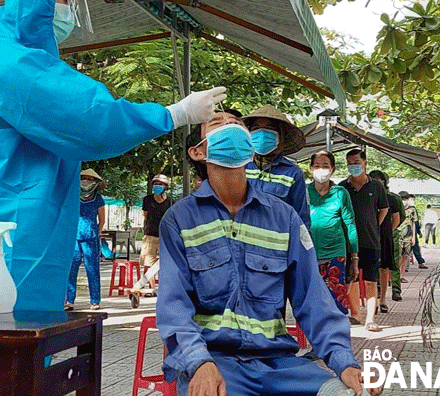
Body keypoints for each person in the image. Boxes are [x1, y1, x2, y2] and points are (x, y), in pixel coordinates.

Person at [0, 0, 226, 311]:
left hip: (17, 229)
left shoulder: (19, 63)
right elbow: (91, 120)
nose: (67, 12)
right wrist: (174, 113)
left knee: (21, 344)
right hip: (6, 236)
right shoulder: (9, 64)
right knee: (6, 345)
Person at [157, 111, 379, 396]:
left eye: (237, 126)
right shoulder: (178, 220)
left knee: (347, 394)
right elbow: (173, 307)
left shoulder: (285, 219)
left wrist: (345, 364)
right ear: (199, 151)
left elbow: (314, 301)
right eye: (217, 124)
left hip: (281, 365)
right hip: (215, 362)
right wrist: (198, 362)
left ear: (250, 147)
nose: (230, 128)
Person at [339, 149, 388, 332]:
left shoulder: (376, 186)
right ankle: (355, 314)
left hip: (370, 242)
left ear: (365, 163)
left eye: (356, 161)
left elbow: (384, 208)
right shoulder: (342, 187)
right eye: (350, 162)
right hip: (347, 243)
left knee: (370, 280)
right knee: (349, 279)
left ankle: (370, 319)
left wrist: (375, 224)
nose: (353, 165)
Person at [307, 150, 358, 314]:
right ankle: (315, 335)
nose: (321, 169)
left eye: (325, 166)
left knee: (336, 298)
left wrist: (354, 258)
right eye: (317, 165)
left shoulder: (340, 193)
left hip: (335, 252)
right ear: (310, 168)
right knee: (311, 299)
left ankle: (336, 335)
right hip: (308, 252)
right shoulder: (304, 191)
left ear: (333, 170)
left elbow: (350, 225)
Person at [243, 105, 310, 229]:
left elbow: (301, 218)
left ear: (280, 136)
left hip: (277, 244)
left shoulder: (292, 173)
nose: (262, 134)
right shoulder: (240, 167)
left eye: (269, 128)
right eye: (256, 128)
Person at [65, 169, 106, 311]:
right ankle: (69, 301)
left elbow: (102, 219)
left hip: (91, 238)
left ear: (95, 182)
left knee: (92, 269)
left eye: (90, 179)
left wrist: (97, 232)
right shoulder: (73, 196)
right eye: (84, 178)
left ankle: (95, 301)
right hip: (74, 238)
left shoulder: (98, 199)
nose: (86, 181)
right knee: (71, 269)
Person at [368, 170, 401, 313]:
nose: (375, 182)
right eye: (372, 179)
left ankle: (383, 300)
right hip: (369, 237)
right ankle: (373, 300)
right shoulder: (366, 196)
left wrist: (387, 232)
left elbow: (397, 219)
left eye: (378, 179)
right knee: (371, 269)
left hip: (385, 237)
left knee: (384, 269)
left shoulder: (392, 199)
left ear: (383, 181)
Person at [140, 174, 174, 288]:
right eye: (155, 184)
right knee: (149, 263)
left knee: (166, 262)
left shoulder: (171, 202)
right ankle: (152, 287)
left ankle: (165, 287)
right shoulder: (147, 200)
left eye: (160, 184)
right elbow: (145, 216)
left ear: (166, 186)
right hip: (150, 235)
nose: (157, 186)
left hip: (165, 236)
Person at [397, 191, 418, 283]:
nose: (404, 201)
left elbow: (413, 223)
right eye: (402, 199)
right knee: (398, 257)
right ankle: (396, 276)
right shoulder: (396, 208)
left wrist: (413, 237)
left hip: (408, 236)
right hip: (397, 235)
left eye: (405, 199)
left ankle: (402, 276)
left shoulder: (412, 210)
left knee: (405, 256)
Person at [406, 194, 428, 268]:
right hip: (404, 231)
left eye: (413, 200)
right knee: (404, 251)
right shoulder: (400, 208)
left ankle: (420, 262)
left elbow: (416, 222)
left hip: (413, 231)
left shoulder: (413, 209)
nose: (412, 201)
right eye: (411, 199)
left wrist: (419, 232)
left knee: (415, 248)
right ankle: (405, 266)